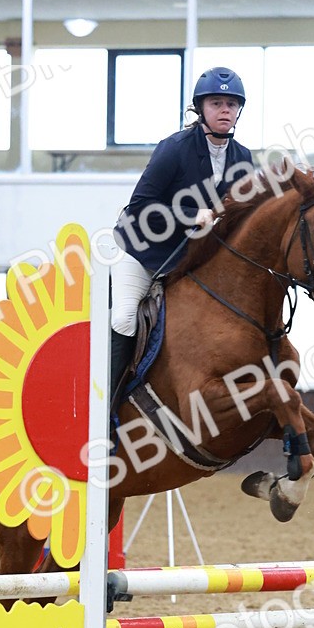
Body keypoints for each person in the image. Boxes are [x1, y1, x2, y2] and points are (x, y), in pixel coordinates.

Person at [110, 66, 254, 402]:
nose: (225, 110)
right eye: (216, 103)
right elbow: (140, 208)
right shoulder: (173, 148)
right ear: (200, 108)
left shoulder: (242, 158)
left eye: (231, 105)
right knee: (125, 319)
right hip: (145, 254)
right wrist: (192, 216)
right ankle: (106, 411)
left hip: (193, 263)